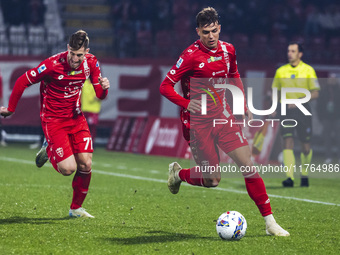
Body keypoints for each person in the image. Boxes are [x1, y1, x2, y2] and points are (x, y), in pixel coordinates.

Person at [160, 7, 289, 237]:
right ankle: (178, 174)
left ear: (219, 27)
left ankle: (270, 223)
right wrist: (184, 102)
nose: (211, 36)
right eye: (205, 32)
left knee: (248, 166)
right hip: (198, 124)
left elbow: (234, 75)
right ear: (198, 31)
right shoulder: (190, 56)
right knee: (212, 179)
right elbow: (165, 86)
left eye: (214, 31)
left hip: (223, 116)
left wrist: (243, 105)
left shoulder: (228, 50)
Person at [0, 30, 110, 218]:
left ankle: (76, 209)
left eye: (80, 55)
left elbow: (100, 95)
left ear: (87, 52)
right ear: (68, 48)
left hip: (76, 118)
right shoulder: (51, 65)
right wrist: (11, 109)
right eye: (73, 54)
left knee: (86, 164)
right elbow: (22, 81)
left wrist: (104, 87)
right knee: (68, 169)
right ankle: (48, 149)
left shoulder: (91, 62)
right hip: (53, 121)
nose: (75, 59)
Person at [272, 42, 320, 188]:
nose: (289, 53)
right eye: (288, 51)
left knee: (305, 145)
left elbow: (315, 93)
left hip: (303, 109)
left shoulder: (308, 70)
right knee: (287, 141)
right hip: (286, 110)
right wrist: (274, 107)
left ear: (300, 54)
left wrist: (299, 101)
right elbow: (276, 91)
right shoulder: (281, 71)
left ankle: (304, 174)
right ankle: (290, 178)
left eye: (293, 51)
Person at [317, 73, 340, 164]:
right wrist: (321, 117)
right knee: (327, 138)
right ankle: (328, 157)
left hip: (337, 117)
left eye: (334, 79)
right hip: (326, 118)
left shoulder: (338, 90)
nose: (332, 81)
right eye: (331, 79)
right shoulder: (324, 90)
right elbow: (319, 105)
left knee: (338, 137)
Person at [81, 79, 102, 143]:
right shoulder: (84, 83)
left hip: (93, 110)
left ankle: (91, 143)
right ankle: (82, 143)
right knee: (82, 128)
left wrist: (98, 97)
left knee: (92, 128)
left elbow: (104, 95)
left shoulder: (99, 83)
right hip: (84, 109)